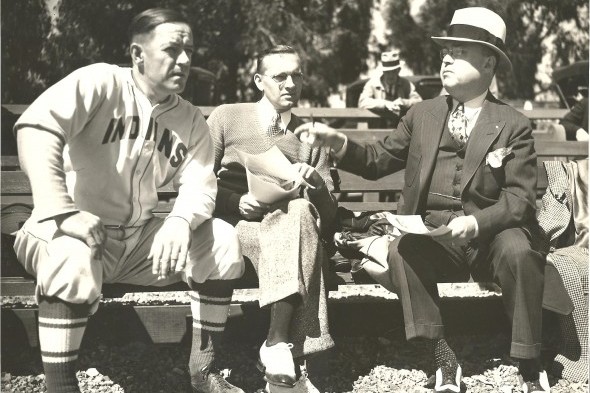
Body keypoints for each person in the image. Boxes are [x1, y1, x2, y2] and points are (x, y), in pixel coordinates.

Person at [296, 7, 551, 393]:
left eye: (459, 51)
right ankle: (442, 355)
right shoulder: (422, 114)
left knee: (519, 249)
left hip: (489, 236)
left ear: (488, 62)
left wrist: (476, 223)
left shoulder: (512, 123)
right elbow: (378, 160)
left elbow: (520, 201)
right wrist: (338, 142)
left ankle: (529, 363)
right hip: (433, 233)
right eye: (445, 50)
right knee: (403, 250)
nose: (445, 58)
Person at [13, 8, 245, 393]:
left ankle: (203, 371)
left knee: (221, 240)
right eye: (172, 49)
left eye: (189, 50)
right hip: (58, 232)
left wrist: (179, 221)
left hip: (137, 243)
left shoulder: (189, 118)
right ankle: (61, 386)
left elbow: (201, 184)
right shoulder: (101, 81)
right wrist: (62, 211)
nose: (185, 60)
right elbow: (37, 127)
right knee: (72, 253)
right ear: (138, 54)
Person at [207, 45, 336, 393]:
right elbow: (194, 179)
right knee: (301, 236)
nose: (290, 83)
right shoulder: (227, 117)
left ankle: (277, 344)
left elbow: (329, 216)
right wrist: (236, 202)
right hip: (240, 230)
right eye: (280, 76)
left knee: (298, 213)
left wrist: (318, 184)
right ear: (259, 80)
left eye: (296, 75)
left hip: (295, 226)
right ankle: (298, 367)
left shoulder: (312, 136)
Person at [358, 50, 422, 127]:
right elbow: (362, 101)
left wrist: (403, 102)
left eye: (394, 71)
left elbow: (419, 102)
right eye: (387, 72)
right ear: (383, 72)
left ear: (399, 70)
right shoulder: (372, 84)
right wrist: (385, 104)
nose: (391, 75)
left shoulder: (406, 84)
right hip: (377, 131)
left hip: (399, 132)